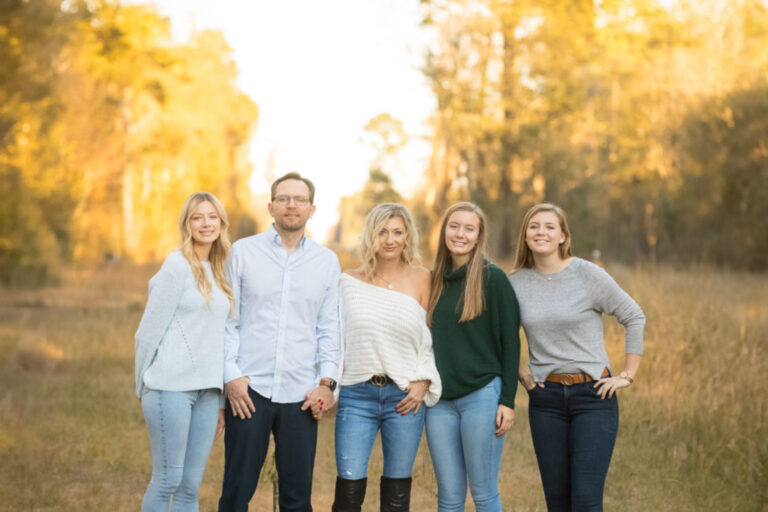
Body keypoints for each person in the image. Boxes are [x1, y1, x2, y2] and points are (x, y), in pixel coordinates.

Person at [508, 203, 646, 512]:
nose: (540, 231)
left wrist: (626, 375)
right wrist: (523, 375)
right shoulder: (515, 282)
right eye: (534, 226)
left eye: (549, 226)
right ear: (525, 235)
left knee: (584, 501)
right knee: (557, 503)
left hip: (593, 396)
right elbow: (500, 337)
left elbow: (634, 316)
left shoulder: (587, 274)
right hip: (545, 400)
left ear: (562, 236)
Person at [218, 172, 341, 512]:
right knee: (235, 493)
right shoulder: (243, 253)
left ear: (312, 209)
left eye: (299, 200)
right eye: (284, 199)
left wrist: (327, 385)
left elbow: (329, 328)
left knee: (297, 499)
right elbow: (227, 321)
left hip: (301, 394)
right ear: (271, 207)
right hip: (248, 391)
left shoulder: (326, 262)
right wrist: (231, 377)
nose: (292, 205)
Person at [332, 203, 442, 512]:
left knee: (396, 496)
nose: (389, 239)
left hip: (405, 397)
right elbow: (333, 337)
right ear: (370, 236)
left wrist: (423, 380)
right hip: (357, 395)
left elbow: (435, 339)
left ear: (408, 237)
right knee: (348, 493)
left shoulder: (425, 279)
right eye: (382, 232)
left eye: (397, 232)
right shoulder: (347, 282)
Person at [134, 191, 234, 511]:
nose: (206, 224)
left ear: (221, 222)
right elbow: (147, 333)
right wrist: (142, 385)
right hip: (169, 389)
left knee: (191, 486)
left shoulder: (221, 269)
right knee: (167, 480)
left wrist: (219, 401)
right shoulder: (176, 266)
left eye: (212, 217)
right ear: (187, 224)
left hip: (207, 392)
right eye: (197, 217)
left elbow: (219, 341)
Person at [425, 202, 521, 512]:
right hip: (439, 402)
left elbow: (511, 343)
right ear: (444, 232)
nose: (460, 234)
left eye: (469, 228)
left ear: (479, 236)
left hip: (481, 396)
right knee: (449, 497)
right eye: (454, 226)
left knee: (484, 494)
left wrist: (507, 399)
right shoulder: (434, 280)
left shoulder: (493, 278)